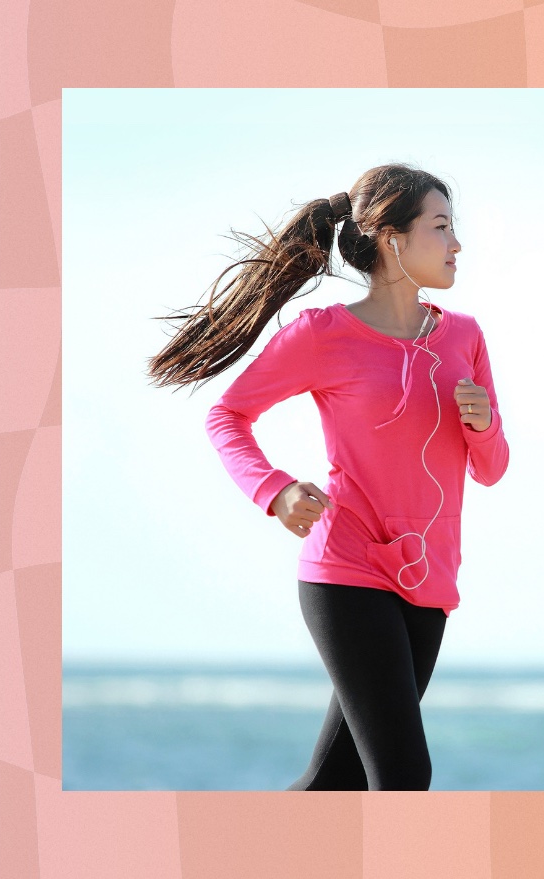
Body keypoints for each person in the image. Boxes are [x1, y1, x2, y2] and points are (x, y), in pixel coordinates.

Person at [145, 163, 510, 791]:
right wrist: (275, 490)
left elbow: (492, 469)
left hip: (429, 579)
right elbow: (228, 415)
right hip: (346, 571)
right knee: (403, 774)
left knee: (331, 784)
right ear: (393, 239)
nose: (458, 244)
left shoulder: (465, 337)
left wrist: (481, 424)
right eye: (442, 227)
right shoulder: (323, 335)